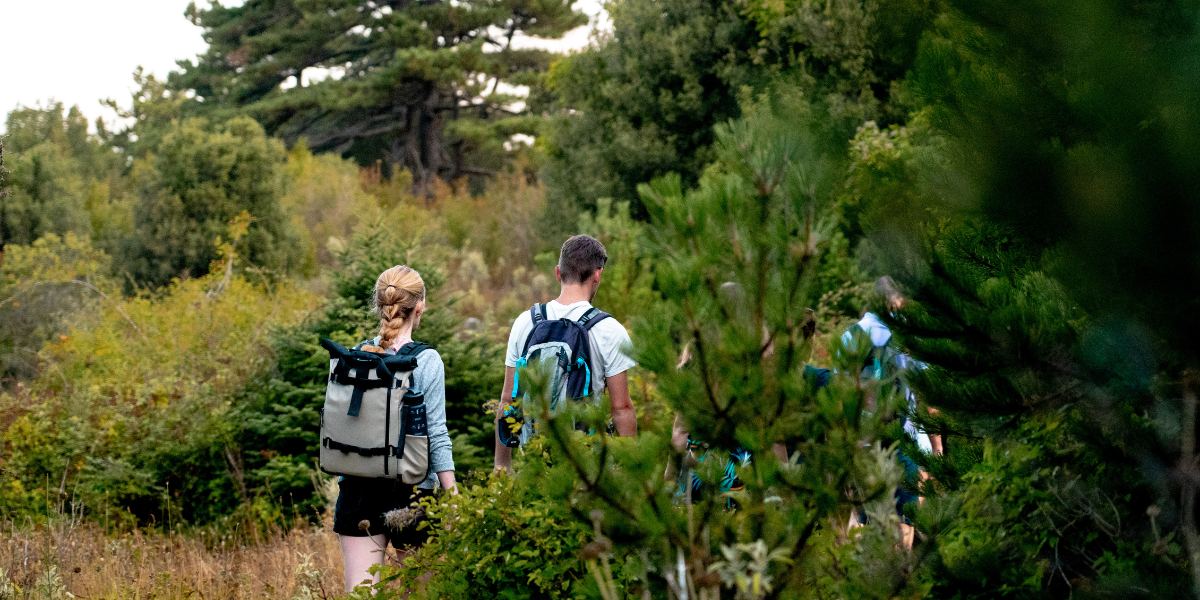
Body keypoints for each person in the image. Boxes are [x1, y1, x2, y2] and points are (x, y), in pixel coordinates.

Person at [334, 265, 457, 592]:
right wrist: (454, 494)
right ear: (420, 307)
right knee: (418, 595)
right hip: (412, 491)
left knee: (360, 595)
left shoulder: (357, 356)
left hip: (358, 489)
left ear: (379, 306)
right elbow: (437, 436)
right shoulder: (427, 361)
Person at [494, 235, 638, 473]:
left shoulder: (525, 322)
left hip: (534, 461)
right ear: (598, 274)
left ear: (558, 273)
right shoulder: (610, 330)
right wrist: (633, 473)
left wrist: (501, 467)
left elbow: (507, 400)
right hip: (587, 466)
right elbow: (621, 408)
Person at [843, 276, 942, 549]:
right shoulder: (906, 337)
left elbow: (840, 396)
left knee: (862, 517)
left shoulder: (850, 335)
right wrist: (937, 451)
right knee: (905, 518)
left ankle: (848, 578)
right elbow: (928, 398)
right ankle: (901, 578)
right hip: (905, 442)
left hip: (861, 443)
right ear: (894, 304)